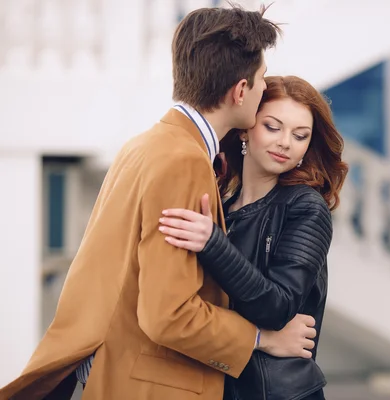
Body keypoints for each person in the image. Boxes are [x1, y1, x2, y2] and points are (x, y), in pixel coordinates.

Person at [0, 7, 317, 400]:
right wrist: (260, 338)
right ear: (239, 90)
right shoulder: (183, 159)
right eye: (259, 80)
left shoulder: (144, 144)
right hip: (153, 385)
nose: (261, 89)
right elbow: (168, 316)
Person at [158, 76, 349, 400]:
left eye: (300, 135)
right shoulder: (222, 204)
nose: (285, 142)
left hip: (279, 393)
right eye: (273, 127)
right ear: (246, 128)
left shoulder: (306, 208)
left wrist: (213, 244)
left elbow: (278, 307)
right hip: (217, 386)